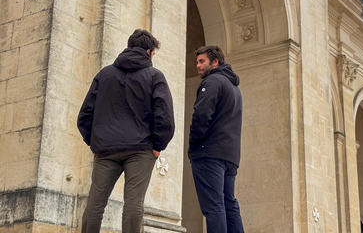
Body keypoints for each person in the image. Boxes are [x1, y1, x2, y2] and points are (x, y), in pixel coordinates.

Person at [77, 29, 175, 233]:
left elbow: (85, 115)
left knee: (95, 204)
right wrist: (158, 146)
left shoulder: (104, 74)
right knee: (133, 204)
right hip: (141, 150)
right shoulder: (154, 75)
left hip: (106, 150)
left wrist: (94, 143)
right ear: (149, 51)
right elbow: (164, 116)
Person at [188, 45, 244, 233]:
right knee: (229, 204)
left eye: (201, 61)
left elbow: (201, 115)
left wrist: (193, 145)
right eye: (197, 61)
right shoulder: (234, 88)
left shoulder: (212, 82)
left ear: (215, 62)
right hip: (230, 156)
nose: (198, 65)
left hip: (209, 153)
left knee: (214, 207)